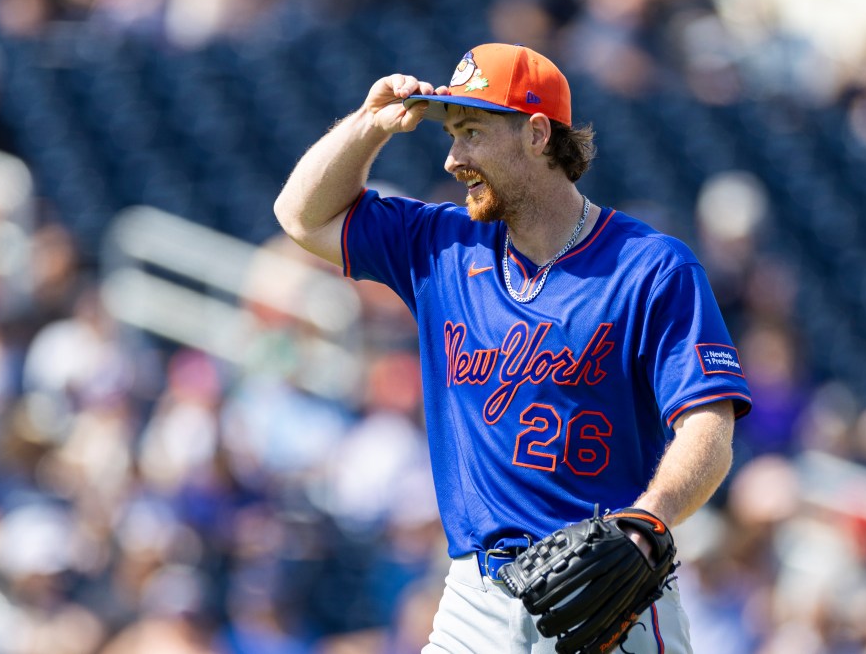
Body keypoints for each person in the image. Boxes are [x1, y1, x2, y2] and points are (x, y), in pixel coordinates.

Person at [273, 43, 752, 653]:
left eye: (471, 132)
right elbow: (300, 215)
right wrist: (369, 126)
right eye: (451, 133)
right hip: (476, 593)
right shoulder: (439, 245)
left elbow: (709, 428)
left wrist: (648, 520)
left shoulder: (650, 267)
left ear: (534, 134)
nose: (453, 158)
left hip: (606, 584)